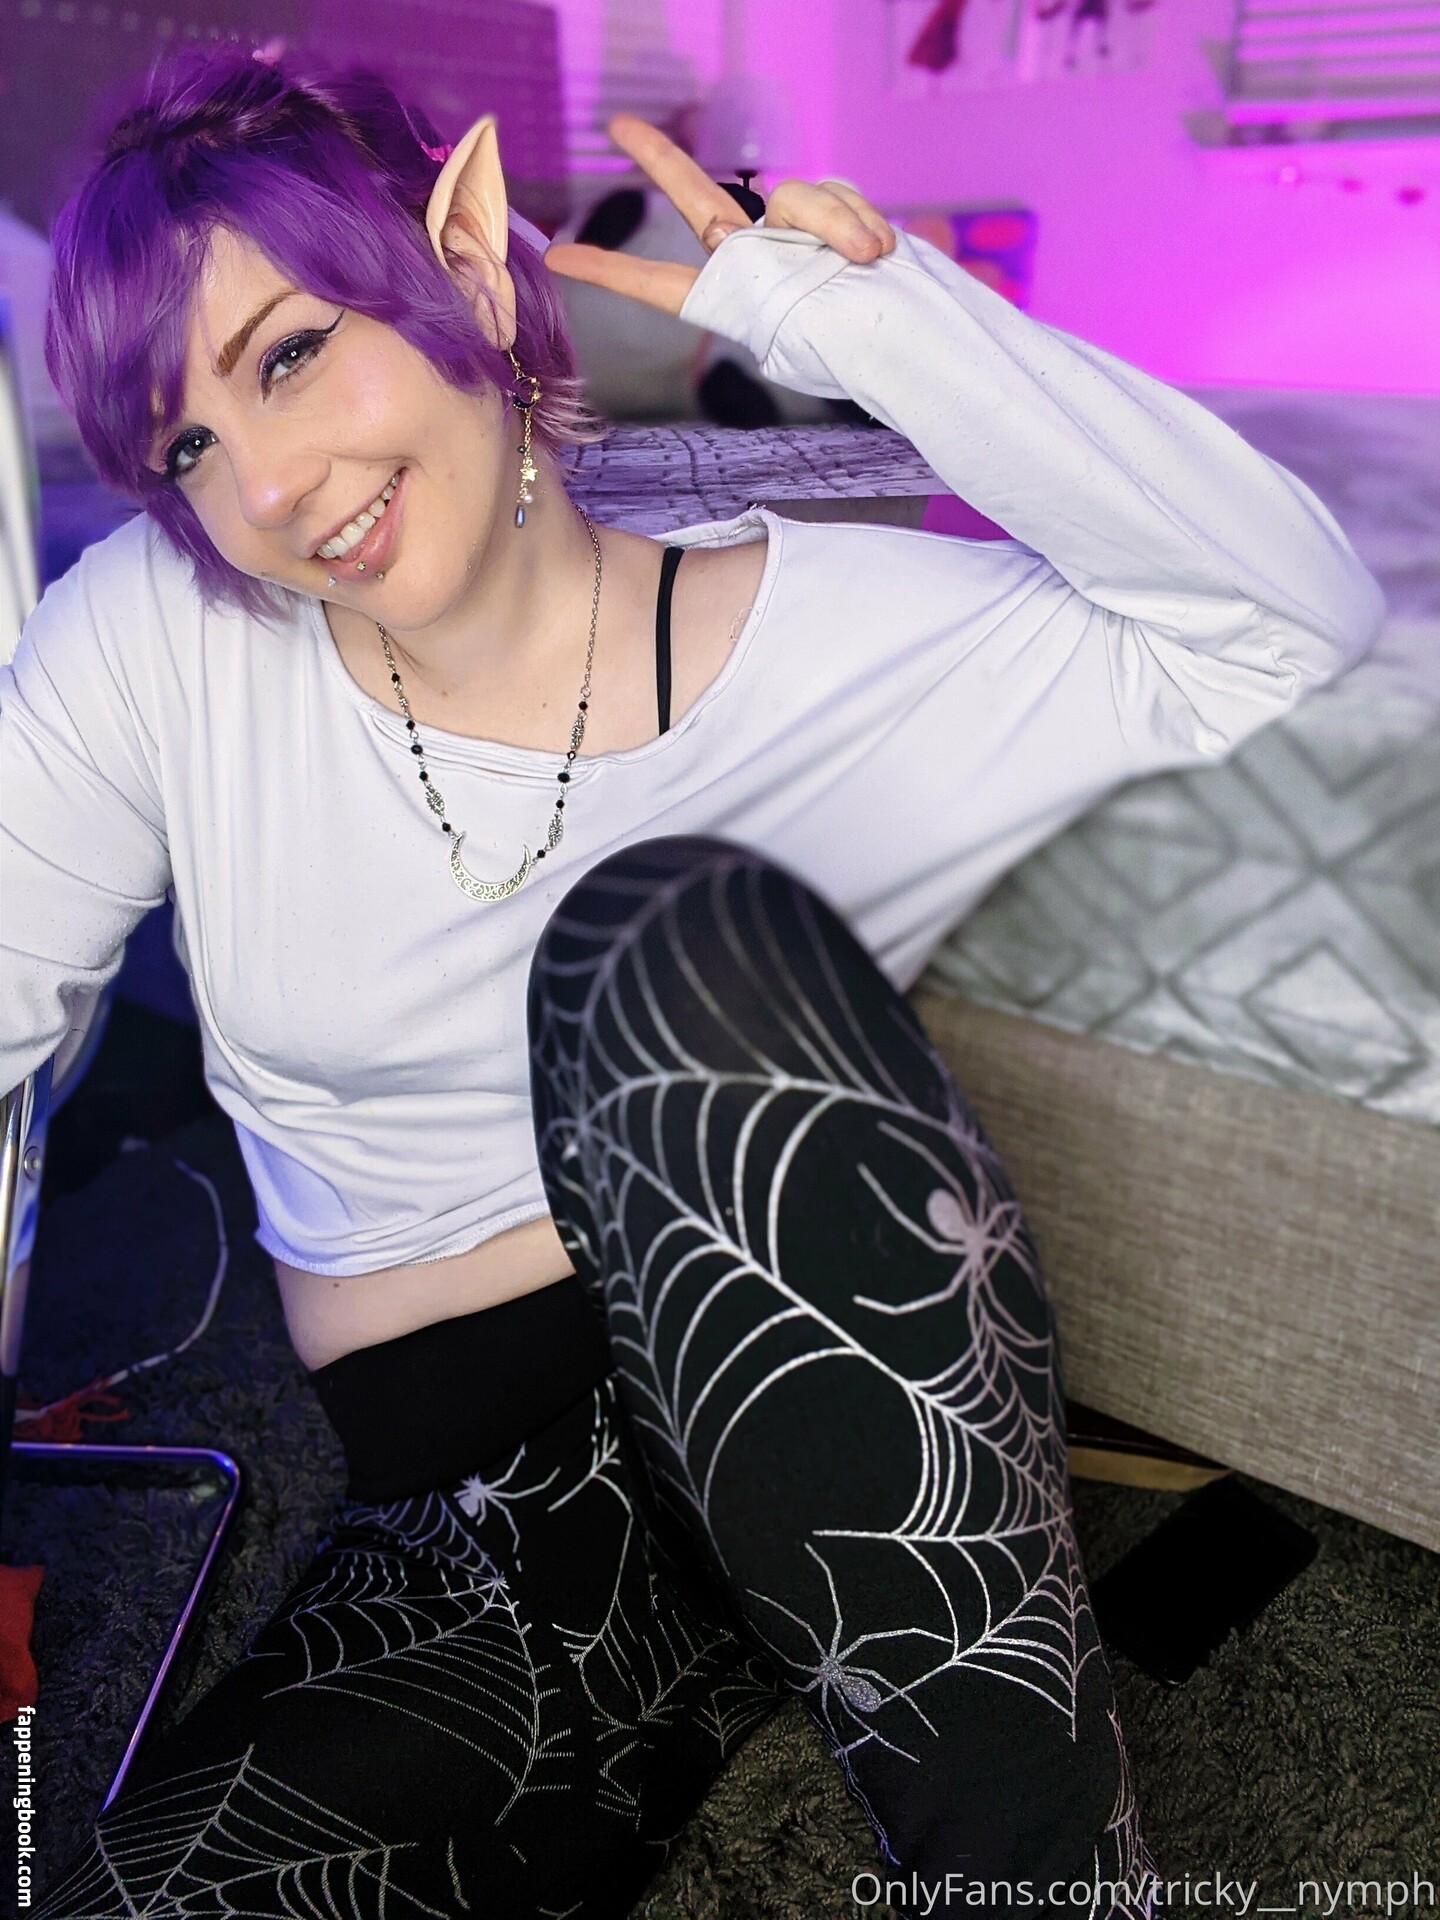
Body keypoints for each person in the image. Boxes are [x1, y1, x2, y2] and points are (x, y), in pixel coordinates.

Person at [1, 45, 1382, 1920]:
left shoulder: (841, 640)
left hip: (841, 1409)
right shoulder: (159, 639)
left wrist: (873, 326)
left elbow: (1290, 622)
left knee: (668, 937)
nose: (263, 487)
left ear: (467, 256)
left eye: (292, 355)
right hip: (481, 1545)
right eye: (183, 446)